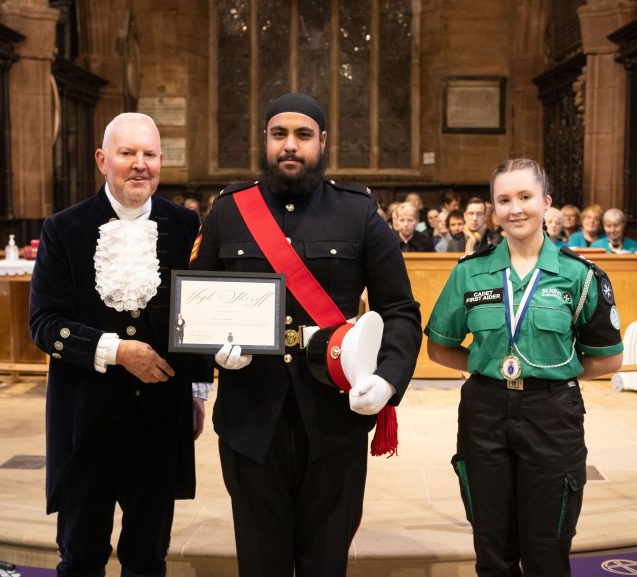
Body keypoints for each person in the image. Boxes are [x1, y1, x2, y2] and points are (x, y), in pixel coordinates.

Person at [189, 92, 422, 577]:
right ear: (265, 141)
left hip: (334, 417)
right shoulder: (230, 211)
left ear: (323, 142)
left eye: (302, 135)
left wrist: (388, 379)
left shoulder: (357, 212)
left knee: (325, 561)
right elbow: (195, 305)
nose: (290, 146)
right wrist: (215, 351)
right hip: (251, 420)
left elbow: (399, 309)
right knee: (260, 561)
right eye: (279, 135)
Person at [29, 113, 210, 577]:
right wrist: (115, 351)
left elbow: (200, 312)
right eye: (127, 153)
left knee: (148, 557)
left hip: (159, 420)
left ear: (161, 162)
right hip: (85, 419)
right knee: (81, 554)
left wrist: (197, 390)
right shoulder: (63, 228)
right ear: (102, 160)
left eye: (149, 154)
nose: (139, 165)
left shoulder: (186, 225)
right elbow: (44, 324)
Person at [425, 158, 623, 577]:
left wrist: (554, 372)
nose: (515, 208)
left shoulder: (579, 275)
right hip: (485, 412)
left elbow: (608, 357)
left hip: (552, 414)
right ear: (494, 208)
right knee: (492, 551)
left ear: (546, 202)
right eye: (504, 199)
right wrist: (489, 365)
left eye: (525, 197)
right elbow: (440, 349)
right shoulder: (470, 273)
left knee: (547, 551)